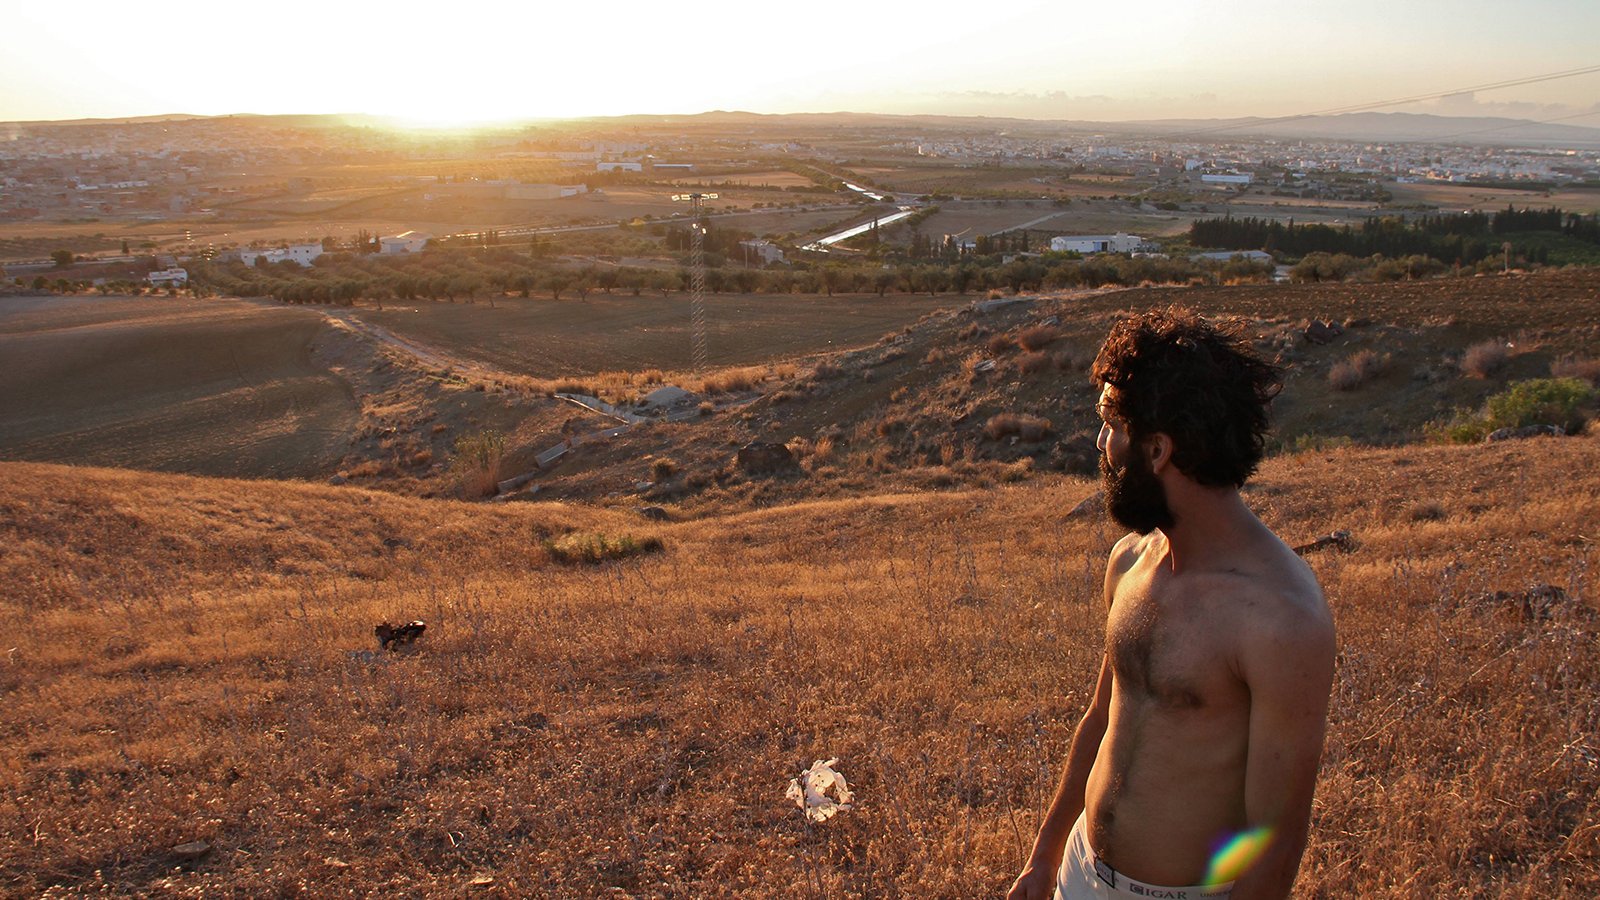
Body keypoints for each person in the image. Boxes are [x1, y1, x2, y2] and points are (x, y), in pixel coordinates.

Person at [1010, 309, 1336, 900]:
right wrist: (1046, 855)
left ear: (1158, 449)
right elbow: (1101, 718)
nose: (1101, 444)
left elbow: (1277, 842)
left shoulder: (1281, 618)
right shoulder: (1130, 561)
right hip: (1081, 873)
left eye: (1111, 424)